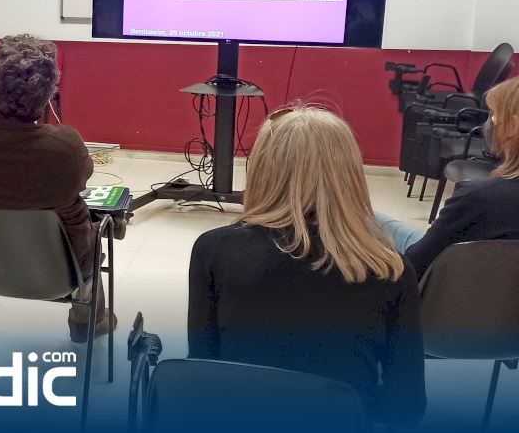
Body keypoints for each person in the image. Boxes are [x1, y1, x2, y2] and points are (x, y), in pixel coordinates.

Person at [187, 107, 425, 427]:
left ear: (260, 170)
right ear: (350, 176)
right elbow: (406, 409)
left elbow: (203, 371)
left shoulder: (213, 250)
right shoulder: (389, 269)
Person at [0, 34, 115, 342]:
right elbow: (82, 181)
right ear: (48, 92)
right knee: (97, 226)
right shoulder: (63, 145)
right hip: (63, 273)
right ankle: (87, 324)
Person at [377, 76, 519, 278]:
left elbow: (415, 263)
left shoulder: (477, 198)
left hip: (450, 285)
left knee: (370, 219)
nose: (490, 122)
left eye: (494, 114)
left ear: (513, 127)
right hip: (497, 290)